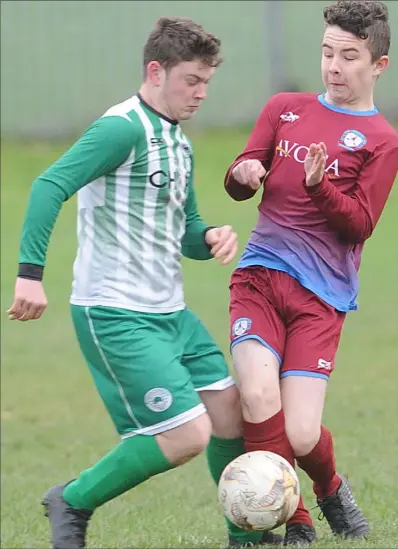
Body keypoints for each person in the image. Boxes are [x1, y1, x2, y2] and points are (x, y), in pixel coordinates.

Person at [8, 17, 281, 549]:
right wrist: (29, 275)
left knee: (229, 415)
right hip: (115, 311)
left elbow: (185, 230)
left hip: (170, 313)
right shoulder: (122, 128)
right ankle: (73, 499)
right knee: (186, 436)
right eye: (191, 81)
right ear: (155, 71)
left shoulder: (177, 142)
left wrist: (212, 238)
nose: (201, 93)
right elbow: (49, 185)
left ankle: (245, 538)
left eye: (207, 83)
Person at [224, 0, 398, 546]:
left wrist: (320, 185)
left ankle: (329, 486)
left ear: (378, 65)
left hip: (321, 297)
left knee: (300, 431)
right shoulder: (285, 109)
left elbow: (359, 227)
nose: (334, 67)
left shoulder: (382, 141)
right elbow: (240, 175)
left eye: (349, 56)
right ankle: (293, 520)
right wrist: (243, 172)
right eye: (327, 53)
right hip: (258, 275)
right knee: (256, 395)